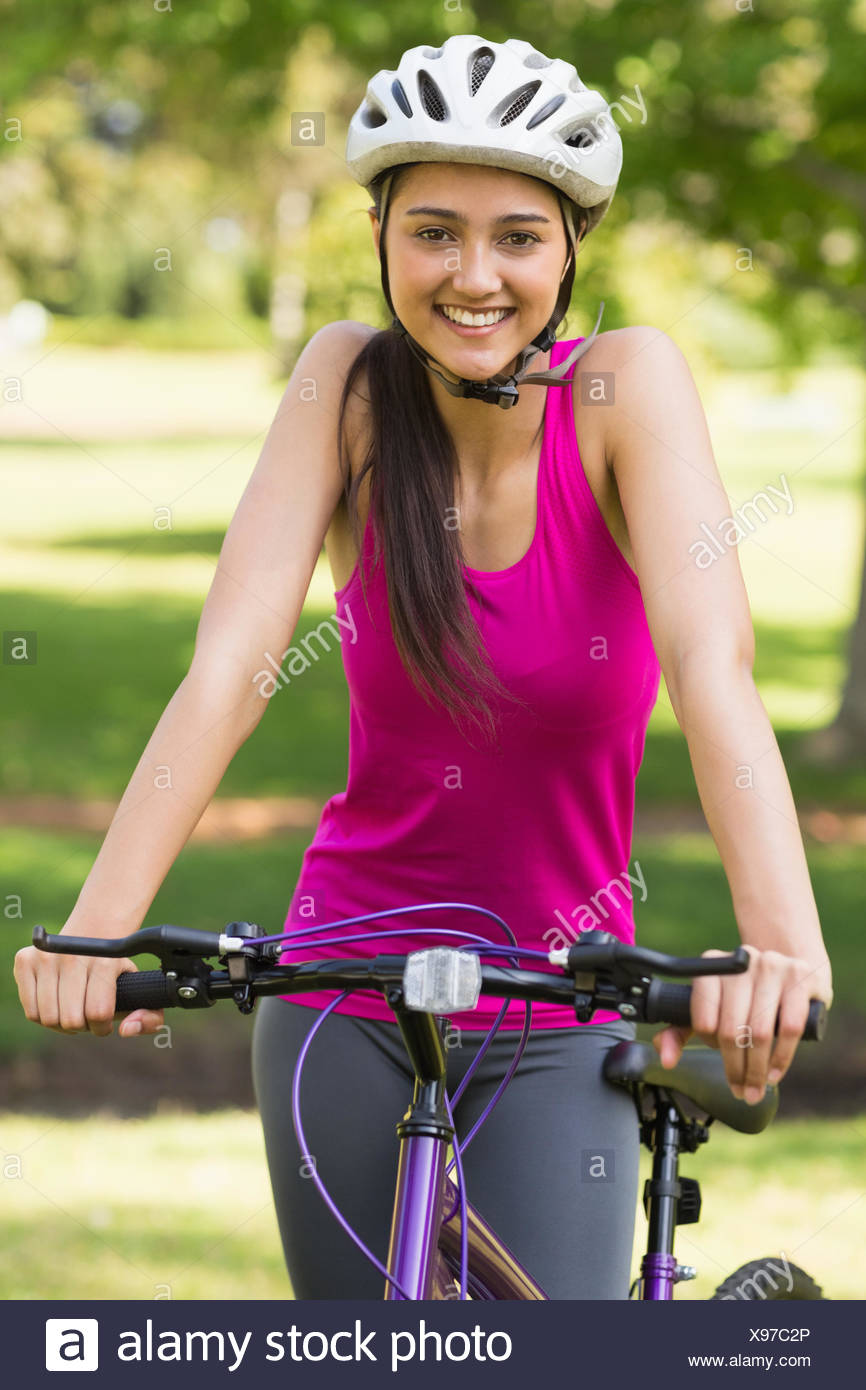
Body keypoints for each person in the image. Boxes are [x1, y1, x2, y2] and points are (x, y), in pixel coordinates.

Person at [14, 35, 833, 1302]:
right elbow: (231, 661)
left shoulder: (625, 388)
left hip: (562, 999)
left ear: (568, 252)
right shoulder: (343, 383)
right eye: (432, 231)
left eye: (516, 236)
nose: (472, 274)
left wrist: (781, 947)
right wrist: (99, 925)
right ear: (382, 235)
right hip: (341, 985)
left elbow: (710, 669)